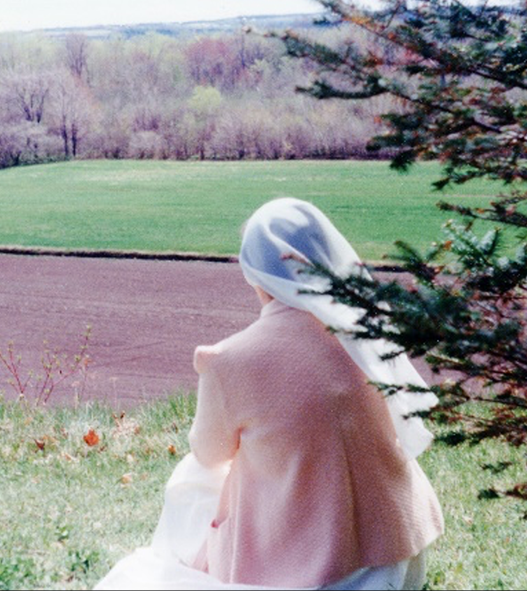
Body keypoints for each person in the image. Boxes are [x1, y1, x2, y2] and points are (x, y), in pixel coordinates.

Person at [96, 198, 444, 590]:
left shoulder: (230, 360)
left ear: (256, 275)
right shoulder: (365, 331)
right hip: (398, 556)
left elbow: (208, 454)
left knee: (193, 475)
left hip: (312, 573)